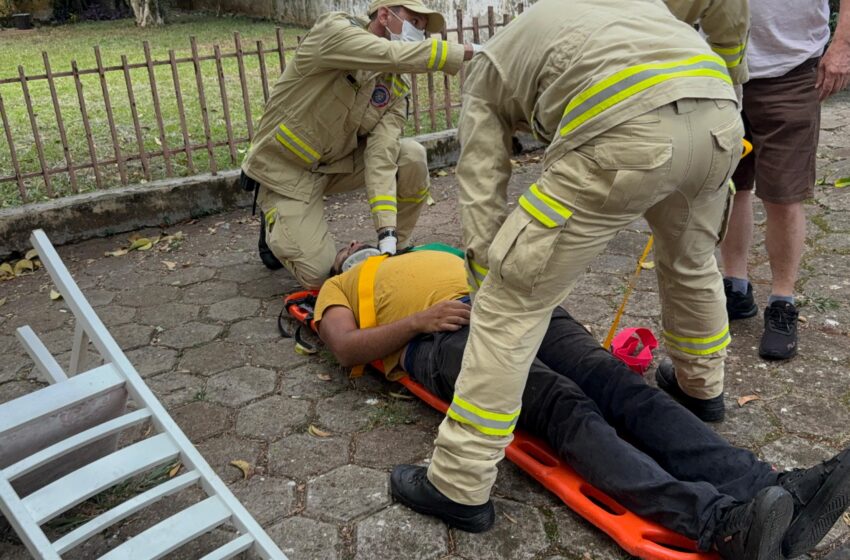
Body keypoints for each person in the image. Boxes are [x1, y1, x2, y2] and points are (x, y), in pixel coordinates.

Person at [390, 0, 751, 542]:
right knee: (692, 261)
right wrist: (729, 90)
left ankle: (458, 484)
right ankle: (702, 388)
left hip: (624, 127)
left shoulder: (488, 68)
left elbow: (483, 176)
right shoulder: (620, 11)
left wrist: (491, 273)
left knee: (511, 305)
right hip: (719, 114)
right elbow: (728, 17)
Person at [313, 244, 850, 560]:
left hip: (515, 304)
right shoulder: (340, 285)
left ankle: (776, 490)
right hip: (437, 337)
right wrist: (417, 322)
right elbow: (343, 347)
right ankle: (720, 522)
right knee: (559, 402)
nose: (358, 246)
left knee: (617, 383)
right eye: (348, 248)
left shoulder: (438, 251)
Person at [240, 0, 475, 289]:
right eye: (414, 23)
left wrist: (386, 231)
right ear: (385, 16)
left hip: (336, 166)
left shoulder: (394, 88)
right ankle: (274, 218)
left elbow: (381, 156)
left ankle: (394, 252)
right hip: (285, 174)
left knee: (411, 156)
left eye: (422, 30)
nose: (418, 33)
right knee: (320, 276)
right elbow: (389, 53)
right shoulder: (334, 32)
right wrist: (462, 52)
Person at [719, 0, 850, 360]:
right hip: (718, 68)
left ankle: (782, 301)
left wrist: (843, 46)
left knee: (783, 193)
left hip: (790, 68)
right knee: (728, 188)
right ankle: (735, 287)